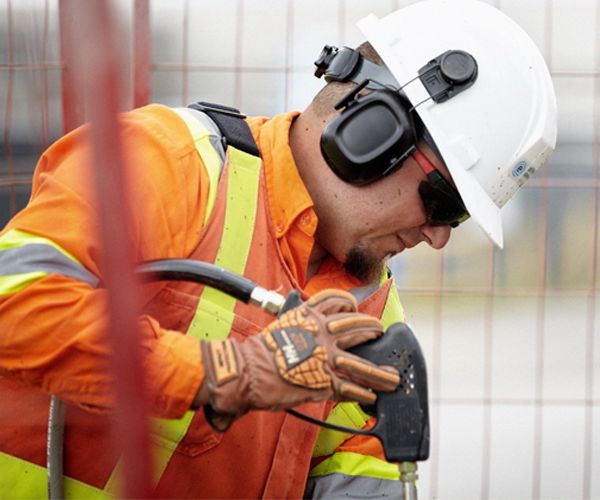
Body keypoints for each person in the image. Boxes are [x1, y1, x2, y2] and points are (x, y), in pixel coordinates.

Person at [0, 0, 556, 498]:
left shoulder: (371, 308)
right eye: (443, 201)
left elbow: (362, 479)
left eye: (457, 219)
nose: (439, 236)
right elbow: (14, 306)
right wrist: (228, 370)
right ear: (372, 133)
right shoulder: (167, 164)